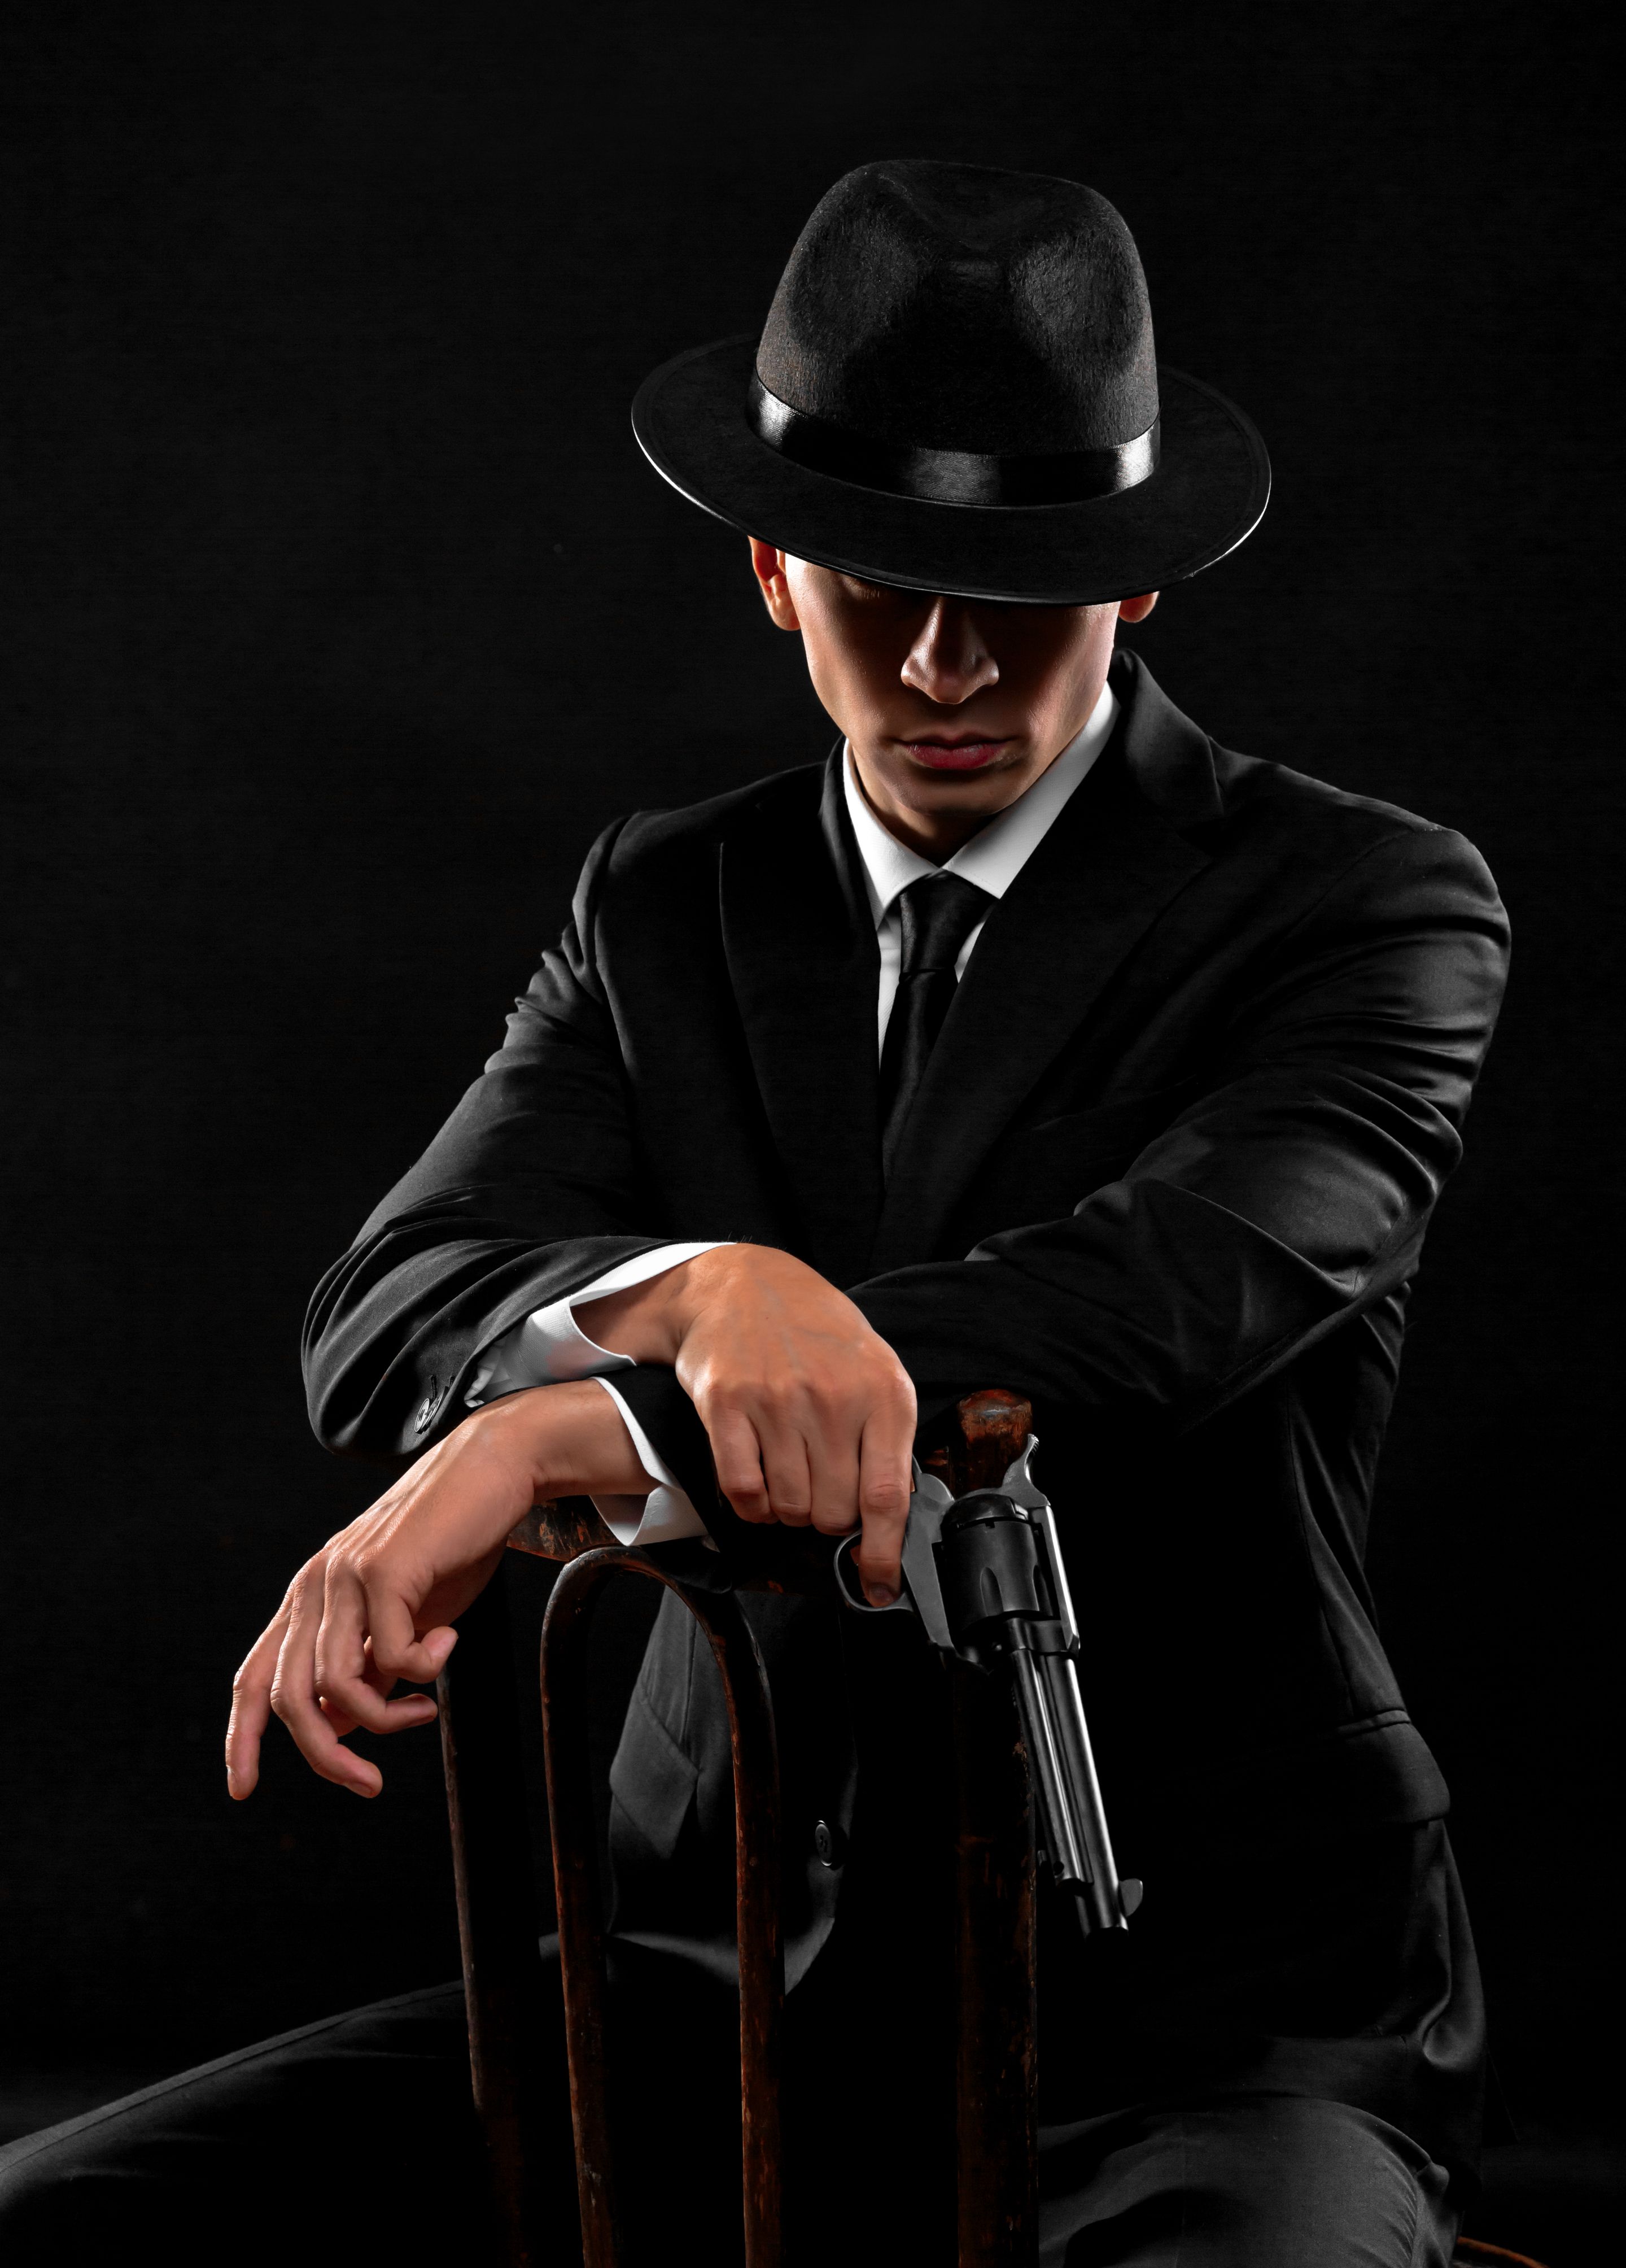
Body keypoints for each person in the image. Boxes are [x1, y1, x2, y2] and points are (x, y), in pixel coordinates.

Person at [0, 161, 1509, 2265]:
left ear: (1143, 580)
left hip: (1208, 2019)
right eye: (879, 577)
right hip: (702, 1976)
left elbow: (1166, 1303)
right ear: (771, 569)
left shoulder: (1368, 900)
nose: (953, 657)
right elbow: (388, 1302)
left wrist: (584, 1426)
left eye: (1031, 580)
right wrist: (706, 1288)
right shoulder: (668, 902)